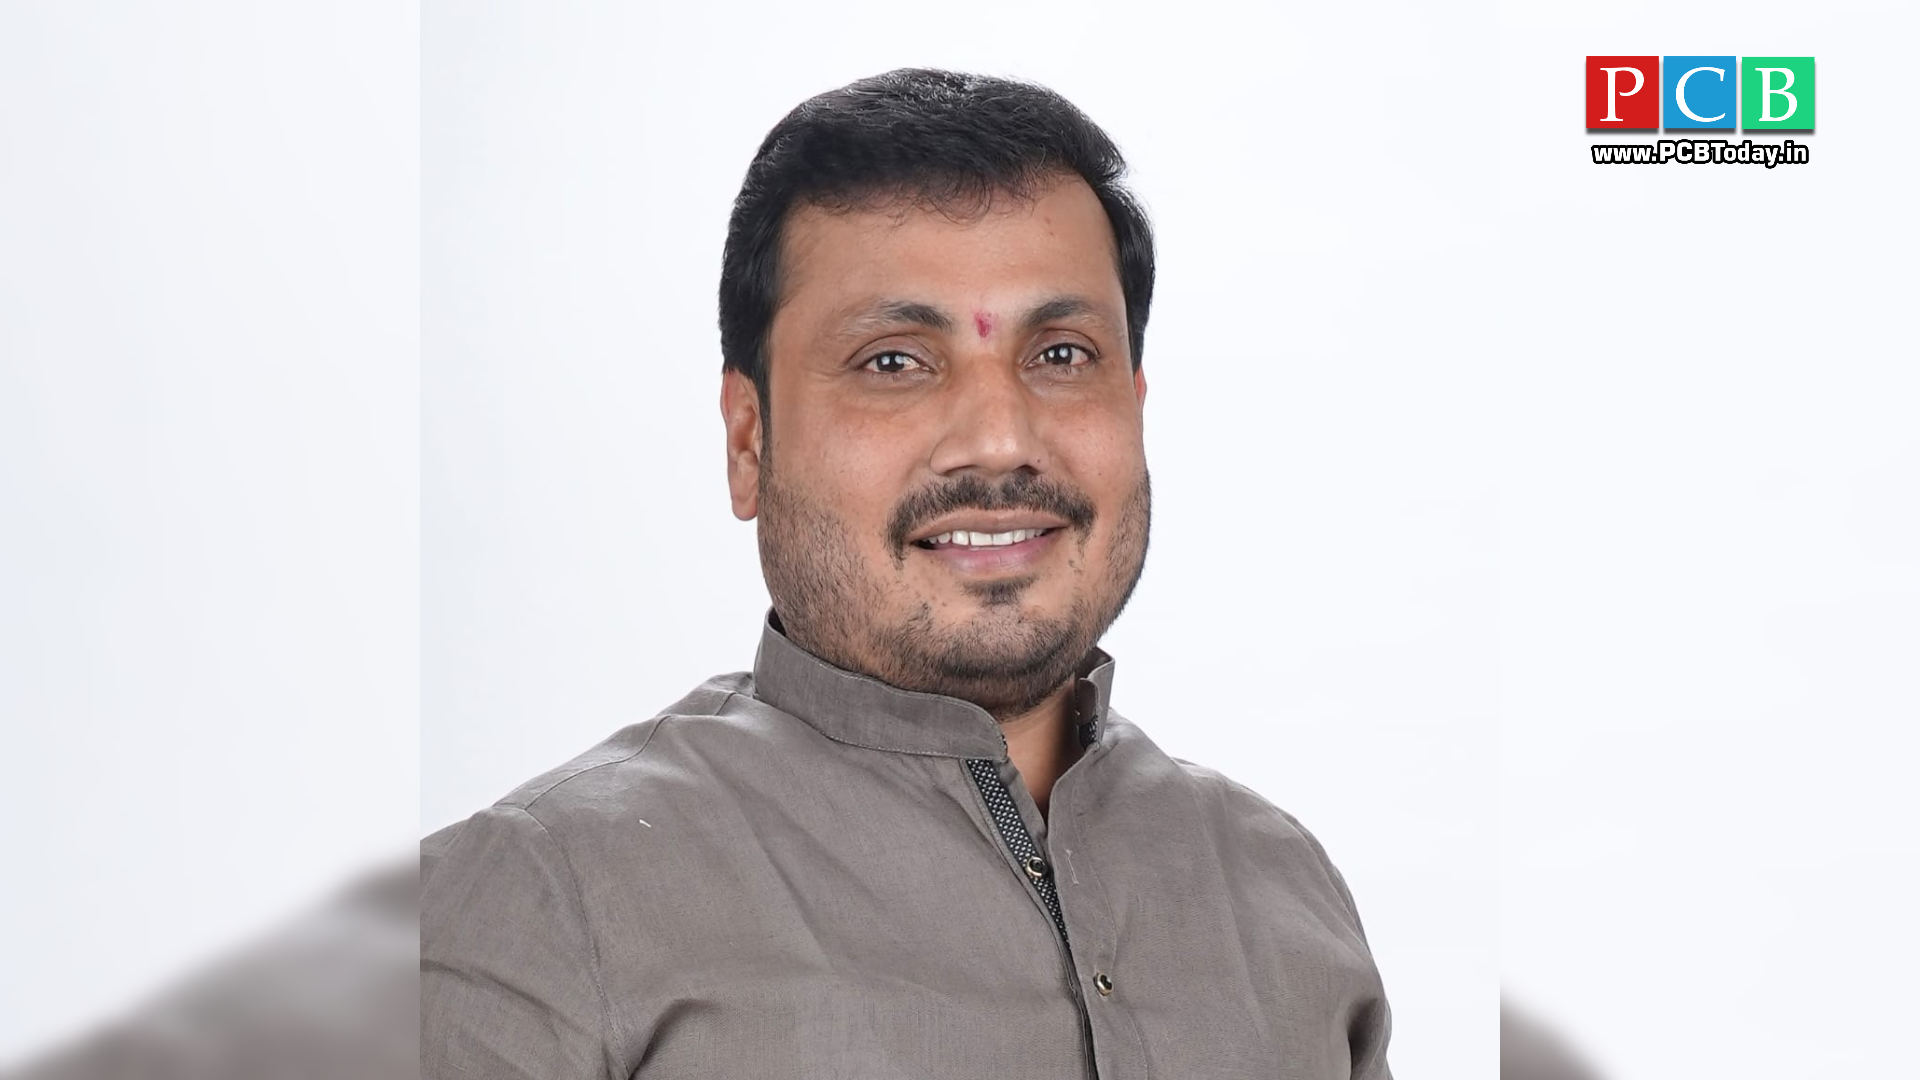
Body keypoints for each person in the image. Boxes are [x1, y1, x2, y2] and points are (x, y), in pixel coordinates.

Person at [421, 67, 1393, 1079]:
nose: (1001, 439)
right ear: (749, 439)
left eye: (1062, 355)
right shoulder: (535, 915)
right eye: (894, 361)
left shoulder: (1281, 893)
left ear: (1137, 405)